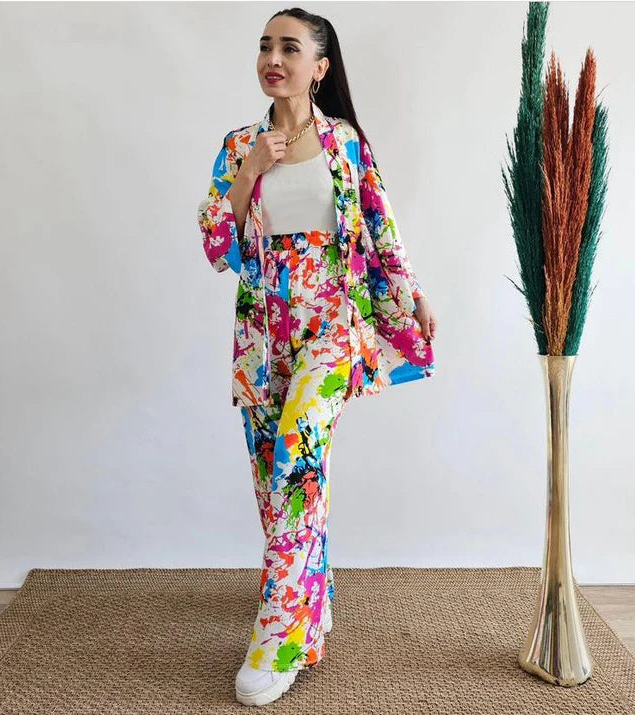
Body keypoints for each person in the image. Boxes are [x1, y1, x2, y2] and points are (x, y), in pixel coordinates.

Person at [196, 8, 437, 707]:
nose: (273, 58)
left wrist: (412, 294)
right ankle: (312, 590)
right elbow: (216, 245)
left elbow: (382, 230)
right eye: (265, 46)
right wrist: (250, 170)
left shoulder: (345, 144)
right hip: (261, 337)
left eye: (289, 48)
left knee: (297, 456)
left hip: (331, 326)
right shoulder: (239, 145)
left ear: (320, 68)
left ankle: (278, 638)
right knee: (275, 481)